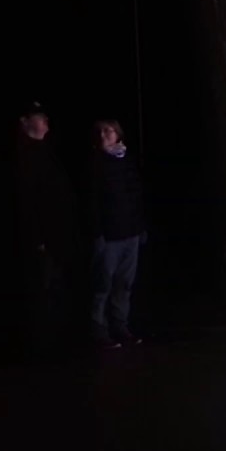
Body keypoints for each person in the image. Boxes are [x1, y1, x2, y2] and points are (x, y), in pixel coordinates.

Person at [13, 101, 75, 356]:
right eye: (39, 117)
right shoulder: (23, 157)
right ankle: (43, 346)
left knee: (55, 289)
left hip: (56, 237)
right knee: (43, 292)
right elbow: (26, 202)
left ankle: (55, 342)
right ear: (25, 121)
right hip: (42, 241)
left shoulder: (45, 152)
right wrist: (38, 238)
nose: (45, 121)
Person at [88, 119, 145, 349]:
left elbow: (136, 197)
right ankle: (98, 330)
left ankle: (121, 326)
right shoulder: (95, 164)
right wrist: (97, 234)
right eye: (100, 132)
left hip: (130, 234)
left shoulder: (127, 162)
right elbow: (92, 203)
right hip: (110, 236)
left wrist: (140, 228)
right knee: (103, 285)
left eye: (108, 131)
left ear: (118, 135)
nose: (103, 135)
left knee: (124, 284)